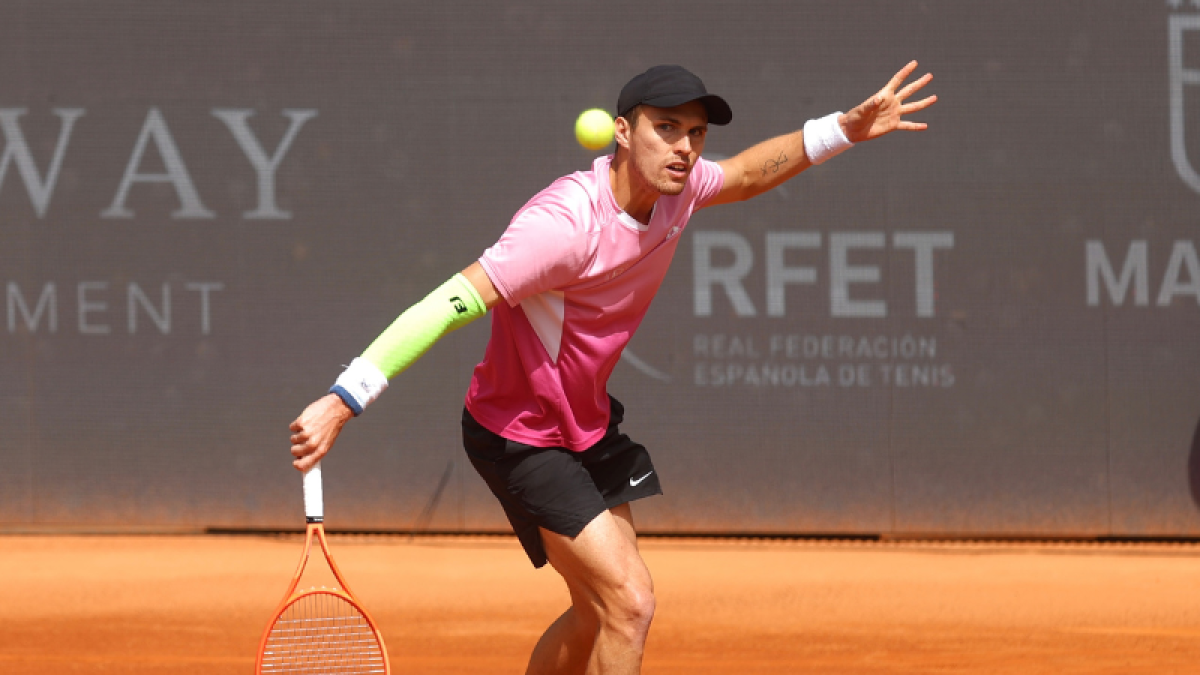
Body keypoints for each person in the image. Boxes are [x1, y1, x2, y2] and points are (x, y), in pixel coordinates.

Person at [289, 61, 936, 675]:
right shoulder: (563, 224)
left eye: (696, 132)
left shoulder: (678, 191)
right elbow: (444, 305)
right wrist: (344, 397)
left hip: (587, 425)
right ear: (622, 132)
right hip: (520, 435)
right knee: (630, 602)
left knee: (596, 612)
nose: (685, 146)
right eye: (666, 127)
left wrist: (844, 129)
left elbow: (744, 174)